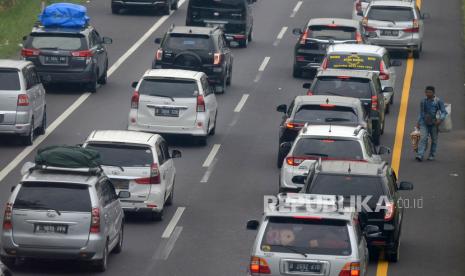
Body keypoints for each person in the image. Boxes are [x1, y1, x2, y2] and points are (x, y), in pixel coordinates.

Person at [416, 86, 447, 161]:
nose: (428, 94)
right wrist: (418, 122)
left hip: (434, 124)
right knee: (423, 138)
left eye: (429, 92)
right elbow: (421, 112)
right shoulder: (423, 101)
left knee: (434, 140)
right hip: (424, 123)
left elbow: (444, 112)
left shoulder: (438, 101)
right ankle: (420, 155)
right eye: (426, 92)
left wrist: (440, 119)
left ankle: (432, 155)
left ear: (433, 93)